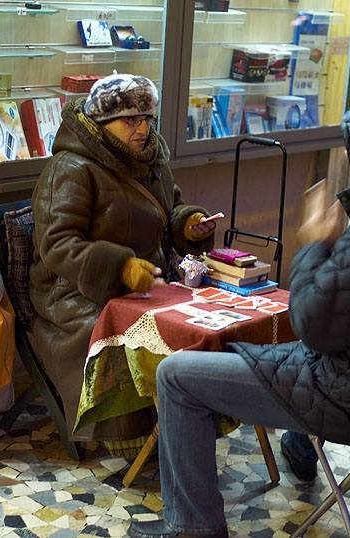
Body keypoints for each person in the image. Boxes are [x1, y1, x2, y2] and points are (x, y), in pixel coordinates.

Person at [126, 78, 350, 538]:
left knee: (176, 375)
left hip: (348, 399)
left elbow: (309, 323)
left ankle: (194, 529)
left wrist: (316, 243)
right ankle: (300, 449)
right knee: (259, 351)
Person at [29, 72, 217, 451]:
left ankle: (183, 422)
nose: (142, 129)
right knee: (130, 339)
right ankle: (134, 440)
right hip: (76, 292)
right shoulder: (71, 169)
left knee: (199, 323)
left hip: (148, 283)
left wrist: (189, 225)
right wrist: (121, 268)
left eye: (147, 118)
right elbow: (58, 244)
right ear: (102, 121)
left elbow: (170, 208)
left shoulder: (151, 159)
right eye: (131, 120)